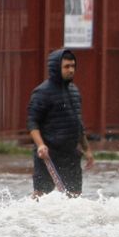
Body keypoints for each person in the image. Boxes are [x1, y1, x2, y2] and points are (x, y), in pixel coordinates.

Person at [27, 48, 94, 196]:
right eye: (66, 67)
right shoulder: (42, 92)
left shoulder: (74, 90)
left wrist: (87, 149)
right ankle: (26, 218)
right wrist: (40, 145)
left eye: (73, 66)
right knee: (40, 195)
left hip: (71, 154)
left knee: (74, 195)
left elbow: (78, 124)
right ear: (56, 68)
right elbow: (32, 123)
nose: (71, 70)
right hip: (49, 154)